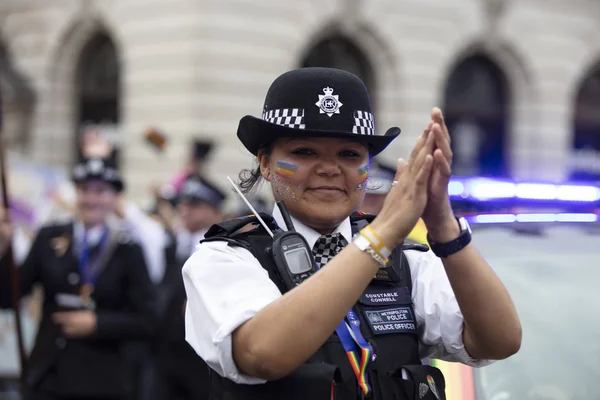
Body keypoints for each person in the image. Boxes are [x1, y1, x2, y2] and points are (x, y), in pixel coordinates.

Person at [182, 67, 522, 400]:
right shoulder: (225, 257)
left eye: (349, 155)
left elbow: (500, 340)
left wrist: (444, 225)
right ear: (266, 163)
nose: (330, 169)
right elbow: (264, 353)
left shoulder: (405, 260)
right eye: (304, 152)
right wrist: (381, 235)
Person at [0, 156, 156, 400]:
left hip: (102, 381)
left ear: (114, 198)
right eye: (85, 190)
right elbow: (8, 297)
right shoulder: (49, 237)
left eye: (101, 191)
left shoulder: (128, 249)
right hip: (48, 377)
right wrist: (3, 249)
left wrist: (98, 324)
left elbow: (147, 319)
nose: (91, 199)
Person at [155, 174, 226, 400]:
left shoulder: (221, 250)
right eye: (183, 203)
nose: (185, 209)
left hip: (200, 359)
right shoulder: (173, 244)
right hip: (165, 352)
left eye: (195, 205)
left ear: (215, 211)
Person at [361, 160, 428, 244]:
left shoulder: (415, 229)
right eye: (367, 194)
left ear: (393, 194)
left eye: (378, 194)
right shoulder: (347, 225)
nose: (370, 200)